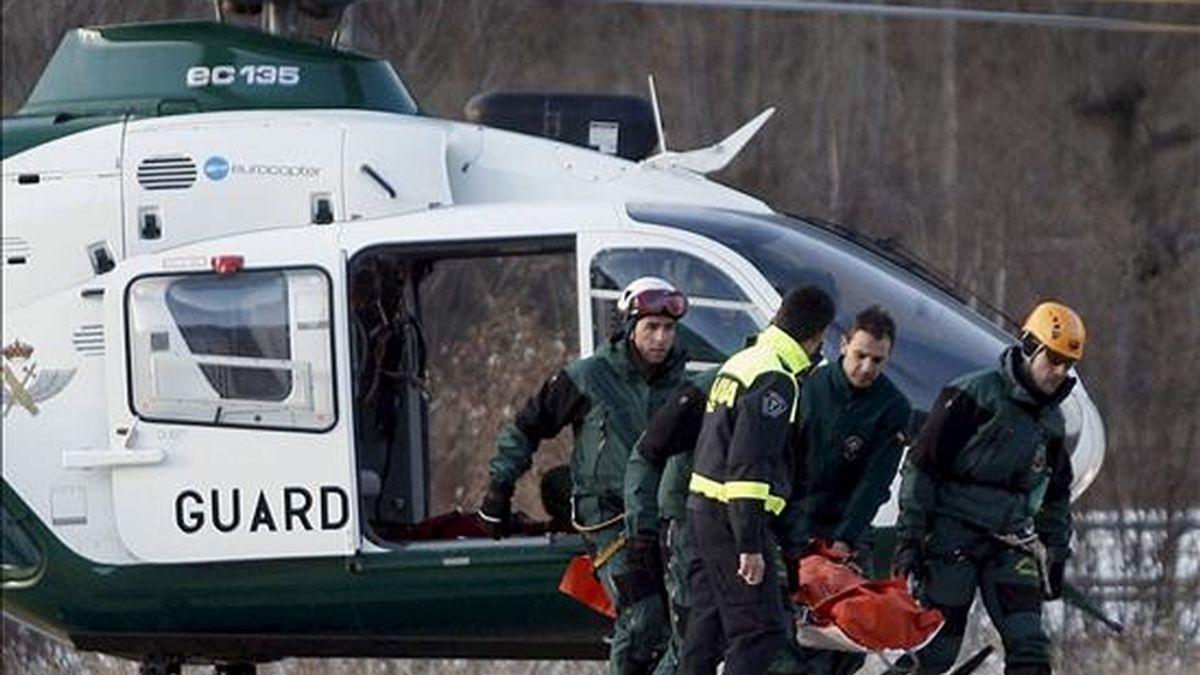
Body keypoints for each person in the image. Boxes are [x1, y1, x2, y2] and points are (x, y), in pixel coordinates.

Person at [478, 276, 690, 675]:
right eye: (651, 328)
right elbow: (527, 427)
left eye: (669, 329)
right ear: (630, 328)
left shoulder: (683, 385)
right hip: (605, 516)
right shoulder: (589, 376)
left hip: (660, 518)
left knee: (682, 628)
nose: (661, 339)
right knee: (644, 617)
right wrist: (498, 489)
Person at [891, 301, 1085, 675]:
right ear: (1030, 347)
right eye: (1054, 359)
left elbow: (1056, 496)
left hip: (1010, 542)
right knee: (934, 651)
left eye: (1068, 365)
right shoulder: (973, 394)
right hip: (952, 538)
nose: (1059, 372)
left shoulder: (1052, 424)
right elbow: (922, 467)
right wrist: (910, 539)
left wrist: (1058, 550)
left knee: (1030, 648)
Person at [679, 285, 836, 675]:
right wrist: (749, 542)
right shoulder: (775, 377)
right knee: (761, 631)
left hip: (702, 512)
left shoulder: (743, 361)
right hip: (733, 519)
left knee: (707, 629)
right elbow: (750, 463)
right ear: (817, 334)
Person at [782, 305, 912, 675]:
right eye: (860, 356)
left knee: (851, 637)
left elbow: (874, 483)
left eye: (878, 360)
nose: (867, 368)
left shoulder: (892, 407)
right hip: (795, 524)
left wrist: (845, 539)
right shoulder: (809, 386)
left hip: (846, 529)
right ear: (843, 346)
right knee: (794, 633)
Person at [624, 366, 719, 675]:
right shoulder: (708, 388)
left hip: (733, 530)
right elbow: (647, 453)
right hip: (684, 522)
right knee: (688, 641)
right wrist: (641, 530)